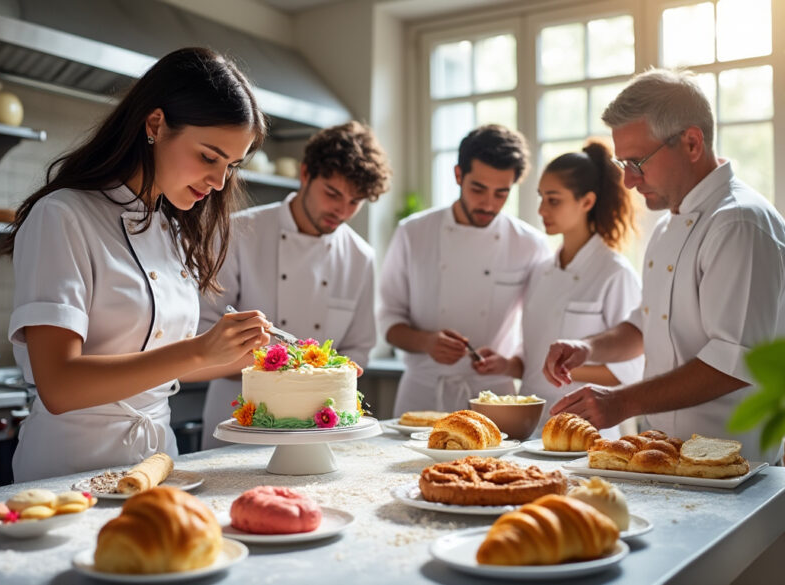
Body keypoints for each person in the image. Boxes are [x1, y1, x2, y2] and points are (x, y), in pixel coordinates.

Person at [4, 47, 272, 481]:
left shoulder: (172, 230)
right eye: (208, 156)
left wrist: (272, 355)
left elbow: (174, 361)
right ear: (155, 124)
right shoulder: (63, 216)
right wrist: (200, 348)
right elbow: (59, 385)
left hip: (158, 467)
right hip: (67, 476)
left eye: (231, 166)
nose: (220, 181)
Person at [543, 69, 785, 463]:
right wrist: (587, 347)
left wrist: (619, 403)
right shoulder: (665, 228)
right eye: (622, 163)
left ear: (692, 142)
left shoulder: (739, 224)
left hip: (736, 466)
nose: (628, 180)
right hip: (666, 457)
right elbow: (646, 326)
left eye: (637, 162)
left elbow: (731, 364)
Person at [197, 121, 391, 448]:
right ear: (305, 174)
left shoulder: (360, 256)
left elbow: (358, 347)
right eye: (332, 193)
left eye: (355, 201)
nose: (342, 211)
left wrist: (338, 371)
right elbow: (203, 333)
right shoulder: (239, 232)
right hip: (238, 423)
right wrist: (277, 371)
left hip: (321, 428)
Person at [473, 140, 644, 438]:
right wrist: (508, 364)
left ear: (586, 202)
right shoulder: (540, 271)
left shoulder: (614, 273)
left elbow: (627, 374)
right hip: (530, 428)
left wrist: (559, 369)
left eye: (553, 200)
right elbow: (534, 357)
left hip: (587, 431)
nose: (541, 209)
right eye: (541, 197)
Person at [379, 124, 550, 415]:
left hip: (493, 397)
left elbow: (538, 332)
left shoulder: (529, 244)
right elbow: (388, 322)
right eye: (478, 189)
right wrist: (426, 342)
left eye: (501, 193)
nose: (488, 203)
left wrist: (508, 363)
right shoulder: (414, 233)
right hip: (423, 394)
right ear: (458, 175)